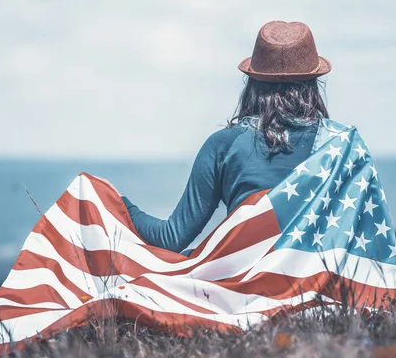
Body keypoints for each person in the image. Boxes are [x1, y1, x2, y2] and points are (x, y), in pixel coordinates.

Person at [121, 21, 333, 253]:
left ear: (252, 83)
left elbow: (172, 237)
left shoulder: (224, 145)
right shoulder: (340, 146)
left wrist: (120, 205)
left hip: (245, 283)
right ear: (313, 85)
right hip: (317, 283)